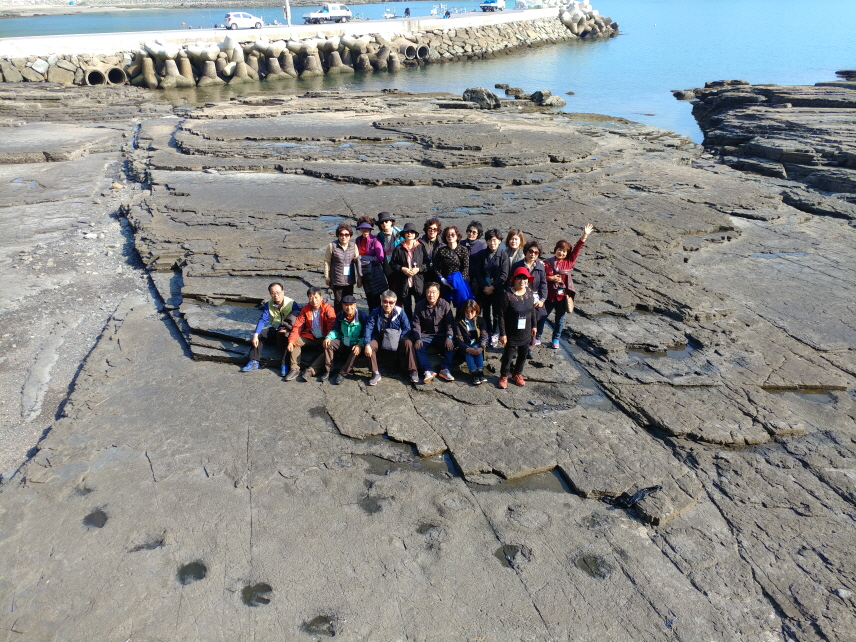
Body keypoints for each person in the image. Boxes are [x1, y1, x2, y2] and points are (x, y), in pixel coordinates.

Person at [543, 224, 594, 349]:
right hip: (548, 296)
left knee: (559, 320)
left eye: (564, 251)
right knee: (541, 317)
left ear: (567, 253)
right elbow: (539, 278)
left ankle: (555, 340)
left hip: (562, 297)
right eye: (559, 249)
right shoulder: (546, 263)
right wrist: (550, 278)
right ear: (555, 249)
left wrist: (585, 235)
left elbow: (577, 249)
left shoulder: (569, 262)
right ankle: (537, 337)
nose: (561, 252)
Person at [240, 282, 300, 376]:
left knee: (288, 338)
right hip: (275, 329)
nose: (276, 295)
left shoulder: (292, 304)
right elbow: (262, 319)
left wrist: (288, 330)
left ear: (283, 291)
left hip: (288, 331)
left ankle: (284, 365)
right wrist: (255, 335)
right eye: (273, 293)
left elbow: (298, 321)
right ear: (270, 294)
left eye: (278, 292)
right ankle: (254, 361)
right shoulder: (269, 304)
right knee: (259, 335)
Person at [363, 290, 416, 386]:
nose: (388, 305)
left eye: (391, 302)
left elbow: (407, 328)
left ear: (395, 303)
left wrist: (398, 338)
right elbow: (368, 328)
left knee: (408, 343)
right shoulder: (375, 312)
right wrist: (366, 344)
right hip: (379, 337)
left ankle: (413, 370)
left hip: (396, 337)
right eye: (385, 301)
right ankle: (375, 373)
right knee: (370, 346)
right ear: (381, 301)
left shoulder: (400, 312)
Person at [408, 282, 456, 384]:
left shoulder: (445, 304)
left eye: (434, 292)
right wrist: (418, 338)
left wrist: (449, 337)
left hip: (441, 335)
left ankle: (445, 369)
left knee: (452, 344)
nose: (431, 295)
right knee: (418, 347)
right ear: (425, 293)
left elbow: (449, 323)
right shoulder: (419, 305)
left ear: (438, 293)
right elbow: (416, 323)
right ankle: (428, 370)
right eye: (429, 292)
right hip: (426, 335)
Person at [498, 267, 538, 389]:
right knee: (508, 356)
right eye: (519, 278)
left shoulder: (530, 293)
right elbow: (501, 316)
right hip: (511, 332)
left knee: (523, 355)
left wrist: (534, 325)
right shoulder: (507, 295)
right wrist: (503, 333)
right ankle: (504, 376)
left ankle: (517, 373)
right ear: (514, 280)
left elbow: (532, 311)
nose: (522, 281)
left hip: (526, 331)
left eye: (524, 278)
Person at [285, 287, 336, 381]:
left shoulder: (328, 309)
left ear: (321, 297)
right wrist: (291, 341)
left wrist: (328, 338)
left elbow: (331, 326)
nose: (314, 300)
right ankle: (295, 368)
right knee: (295, 341)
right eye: (311, 298)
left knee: (329, 348)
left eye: (316, 297)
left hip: (324, 337)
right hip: (310, 336)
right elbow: (298, 325)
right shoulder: (306, 308)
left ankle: (311, 370)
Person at [473, 229, 510, 347]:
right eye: (489, 240)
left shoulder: (504, 255)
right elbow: (477, 272)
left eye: (494, 240)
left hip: (498, 289)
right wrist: (485, 286)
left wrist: (492, 287)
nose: (492, 243)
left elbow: (504, 275)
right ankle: (487, 332)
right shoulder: (481, 254)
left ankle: (496, 333)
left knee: (497, 313)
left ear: (499, 241)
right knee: (485, 312)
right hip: (483, 288)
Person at [513, 240, 548, 355]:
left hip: (535, 298)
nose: (533, 254)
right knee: (519, 323)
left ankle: (529, 348)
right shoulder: (517, 265)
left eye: (536, 252)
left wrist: (542, 300)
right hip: (519, 297)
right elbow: (510, 282)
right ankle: (517, 347)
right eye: (531, 251)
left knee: (534, 323)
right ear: (526, 252)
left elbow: (543, 285)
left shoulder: (540, 267)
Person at [323, 294, 366, 385]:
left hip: (356, 344)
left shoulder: (362, 317)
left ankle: (342, 373)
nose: (349, 308)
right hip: (343, 342)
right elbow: (336, 330)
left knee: (355, 351)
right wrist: (329, 337)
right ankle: (329, 370)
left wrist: (360, 344)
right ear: (342, 306)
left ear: (355, 305)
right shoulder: (340, 315)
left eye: (351, 305)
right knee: (328, 344)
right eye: (346, 305)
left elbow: (366, 334)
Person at [389, 223, 427, 321]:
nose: (409, 234)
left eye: (412, 232)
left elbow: (427, 264)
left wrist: (418, 269)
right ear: (404, 234)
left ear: (415, 234)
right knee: (406, 306)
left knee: (420, 304)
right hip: (403, 282)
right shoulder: (399, 248)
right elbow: (392, 264)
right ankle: (407, 325)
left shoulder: (421, 247)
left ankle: (419, 325)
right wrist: (402, 269)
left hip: (418, 282)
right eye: (407, 232)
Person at [324, 223, 362, 313]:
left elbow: (358, 263)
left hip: (349, 279)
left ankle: (348, 318)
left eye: (346, 234)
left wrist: (359, 278)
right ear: (338, 235)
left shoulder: (353, 246)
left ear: (350, 236)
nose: (344, 237)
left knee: (349, 301)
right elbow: (327, 261)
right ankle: (338, 319)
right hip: (337, 279)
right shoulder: (332, 245)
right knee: (338, 302)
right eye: (341, 234)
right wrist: (327, 277)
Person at [433, 225, 472, 306]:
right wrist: (441, 278)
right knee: (444, 304)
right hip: (445, 281)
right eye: (448, 235)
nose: (450, 236)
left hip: (459, 281)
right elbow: (435, 266)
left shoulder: (463, 250)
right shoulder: (441, 251)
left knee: (462, 304)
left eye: (452, 234)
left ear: (457, 235)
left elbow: (466, 267)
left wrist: (460, 280)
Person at [454, 299, 489, 385]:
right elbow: (458, 338)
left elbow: (484, 335)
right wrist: (466, 348)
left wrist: (482, 347)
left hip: (477, 344)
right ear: (464, 311)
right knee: (469, 352)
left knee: (477, 348)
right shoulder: (459, 322)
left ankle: (480, 371)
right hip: (465, 346)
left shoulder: (480, 320)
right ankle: (474, 373)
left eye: (472, 312)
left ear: (476, 311)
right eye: (467, 312)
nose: (469, 314)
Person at [355, 216, 386, 312]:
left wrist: (368, 260)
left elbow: (380, 257)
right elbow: (356, 257)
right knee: (368, 296)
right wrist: (359, 278)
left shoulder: (375, 240)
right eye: (363, 228)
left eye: (367, 228)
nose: (365, 230)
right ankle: (371, 316)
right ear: (360, 229)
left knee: (376, 297)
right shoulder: (357, 240)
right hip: (364, 273)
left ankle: (377, 317)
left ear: (370, 229)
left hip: (374, 272)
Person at [375, 211, 401, 283]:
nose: (384, 224)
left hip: (399, 263)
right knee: (391, 284)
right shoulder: (379, 236)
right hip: (387, 264)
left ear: (391, 222)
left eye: (386, 221)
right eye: (382, 222)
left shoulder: (400, 233)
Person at [420, 217, 444, 285]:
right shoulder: (419, 242)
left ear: (438, 230)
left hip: (439, 273)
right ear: (426, 229)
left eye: (435, 229)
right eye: (430, 228)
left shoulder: (443, 243)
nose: (432, 231)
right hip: (424, 273)